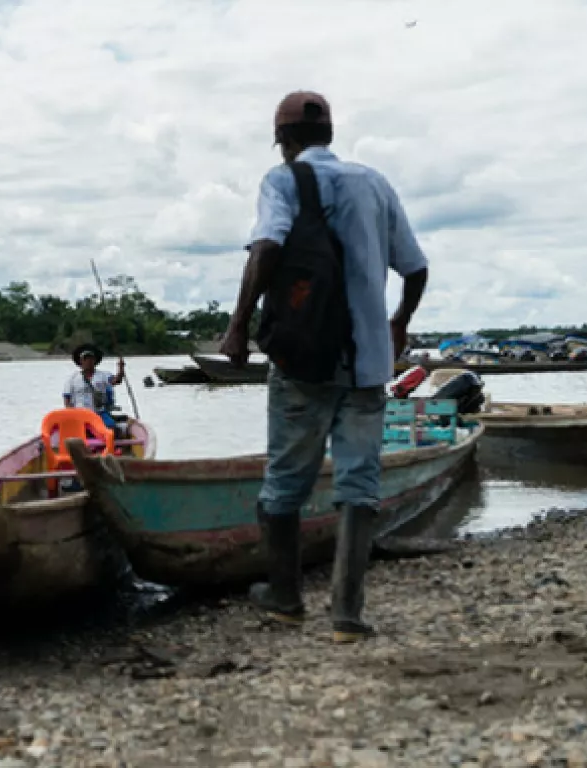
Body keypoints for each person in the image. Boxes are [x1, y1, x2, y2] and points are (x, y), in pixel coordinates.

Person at [220, 91, 429, 644]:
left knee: (285, 480)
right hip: (367, 363)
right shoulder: (374, 183)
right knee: (360, 480)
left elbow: (266, 249)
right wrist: (399, 322)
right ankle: (347, 614)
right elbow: (415, 267)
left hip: (302, 360)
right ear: (330, 134)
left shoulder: (282, 180)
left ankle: (285, 598)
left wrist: (239, 324)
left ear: (283, 141)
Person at [63, 344, 126, 433]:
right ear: (81, 361)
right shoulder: (72, 378)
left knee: (112, 428)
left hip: (99, 413)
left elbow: (116, 381)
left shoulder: (103, 375)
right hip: (80, 414)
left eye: (91, 358)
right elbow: (67, 400)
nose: (88, 361)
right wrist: (72, 414)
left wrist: (121, 369)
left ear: (95, 360)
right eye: (85, 359)